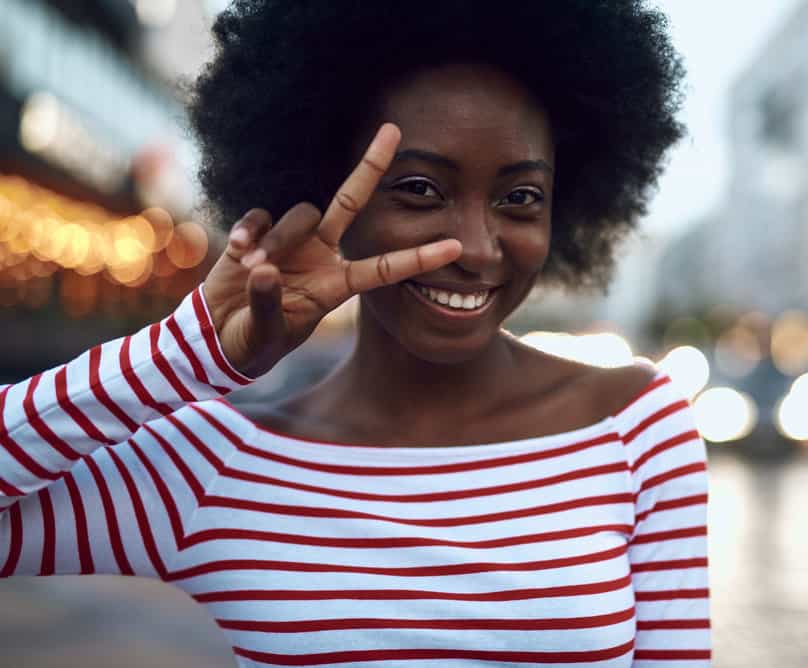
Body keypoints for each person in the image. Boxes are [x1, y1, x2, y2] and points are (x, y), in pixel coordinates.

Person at [0, 1, 711, 665]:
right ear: (330, 193)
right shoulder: (219, 463)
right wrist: (189, 351)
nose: (475, 246)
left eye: (520, 198)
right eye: (419, 190)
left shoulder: (637, 426)